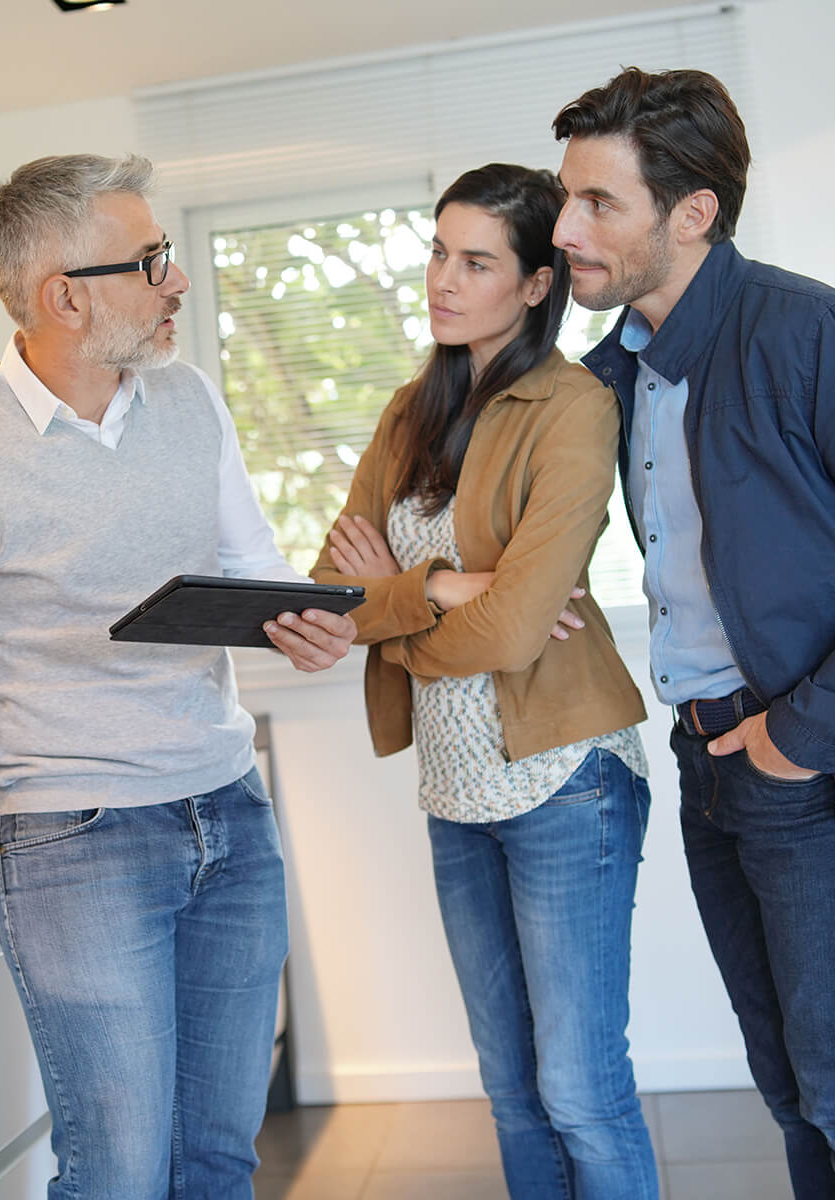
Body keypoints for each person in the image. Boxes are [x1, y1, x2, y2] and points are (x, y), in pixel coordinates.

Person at [0, 153, 358, 1200]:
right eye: (150, 261)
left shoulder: (191, 403)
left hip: (229, 817)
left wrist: (299, 622)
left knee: (220, 1163)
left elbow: (253, 573)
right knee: (119, 1177)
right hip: (79, 842)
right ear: (63, 297)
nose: (176, 281)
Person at [551, 68, 835, 1199]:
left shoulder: (818, 335)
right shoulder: (619, 373)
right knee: (793, 1088)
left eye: (598, 202)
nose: (566, 228)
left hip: (822, 771)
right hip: (712, 760)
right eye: (568, 199)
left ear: (693, 211)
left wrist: (800, 737)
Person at [311, 163, 658, 1199]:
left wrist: (410, 608)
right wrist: (456, 585)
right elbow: (336, 592)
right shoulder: (407, 414)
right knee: (509, 1089)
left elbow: (513, 633)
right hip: (455, 794)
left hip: (567, 780)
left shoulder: (574, 406)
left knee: (581, 1090)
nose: (443, 281)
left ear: (538, 284)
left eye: (477, 262)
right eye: (436, 252)